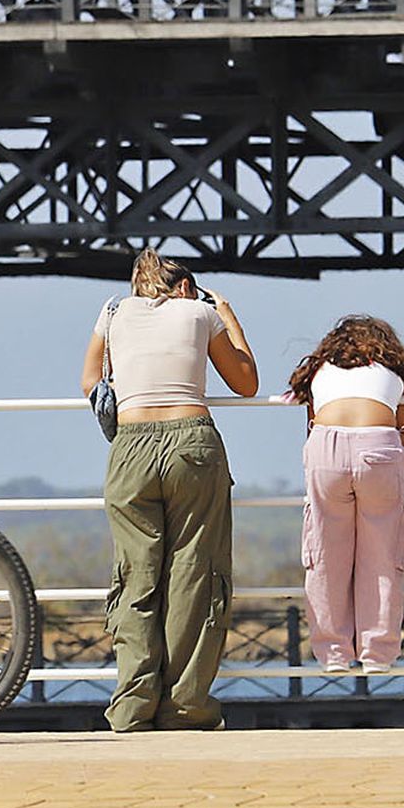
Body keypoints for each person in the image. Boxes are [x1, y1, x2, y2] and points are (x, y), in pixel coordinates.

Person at [80, 249, 257, 732]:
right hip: (191, 442)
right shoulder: (199, 311)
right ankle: (186, 707)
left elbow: (89, 380)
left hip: (131, 448)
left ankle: (132, 706)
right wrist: (228, 317)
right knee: (193, 575)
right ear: (184, 287)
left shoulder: (112, 312)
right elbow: (245, 381)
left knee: (136, 575)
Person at [287, 316, 404, 674]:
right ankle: (377, 653)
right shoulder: (395, 369)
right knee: (383, 553)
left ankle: (332, 653)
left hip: (326, 446)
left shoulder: (319, 370)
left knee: (325, 554)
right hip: (378, 444)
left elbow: (312, 422)